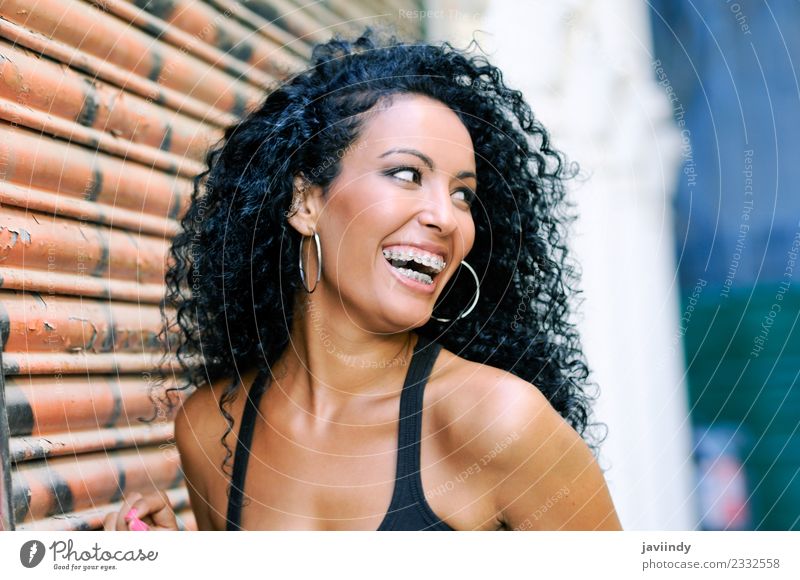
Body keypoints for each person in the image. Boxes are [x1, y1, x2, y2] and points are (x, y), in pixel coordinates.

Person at [104, 27, 622, 531]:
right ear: (305, 202)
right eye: (406, 174)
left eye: (463, 193)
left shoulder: (496, 422)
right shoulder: (211, 431)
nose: (447, 216)